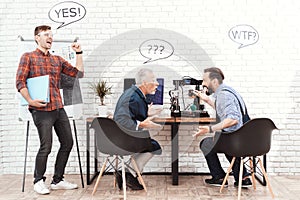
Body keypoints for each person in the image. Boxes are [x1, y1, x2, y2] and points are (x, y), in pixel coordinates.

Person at [16, 25, 84, 195]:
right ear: (37, 37)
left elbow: (78, 74)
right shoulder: (28, 57)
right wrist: (30, 100)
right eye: (46, 34)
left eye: (51, 35)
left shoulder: (57, 60)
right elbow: (20, 82)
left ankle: (58, 180)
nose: (50, 37)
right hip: (41, 110)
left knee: (68, 142)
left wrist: (79, 53)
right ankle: (38, 181)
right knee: (46, 146)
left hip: (58, 108)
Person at [193, 67, 252, 188]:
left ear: (214, 81)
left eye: (204, 80)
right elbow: (223, 109)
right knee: (221, 139)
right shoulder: (228, 91)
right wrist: (207, 100)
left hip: (235, 140)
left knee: (206, 143)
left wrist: (210, 129)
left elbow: (233, 119)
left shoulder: (224, 95)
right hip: (243, 137)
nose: (203, 84)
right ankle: (243, 177)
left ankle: (219, 177)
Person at [113, 68, 162, 190]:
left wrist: (148, 113)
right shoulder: (134, 97)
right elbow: (120, 119)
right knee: (154, 146)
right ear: (144, 83)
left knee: (149, 143)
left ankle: (127, 173)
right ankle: (129, 173)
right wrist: (141, 124)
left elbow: (131, 114)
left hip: (122, 137)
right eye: (153, 80)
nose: (157, 83)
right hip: (126, 139)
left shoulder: (132, 93)